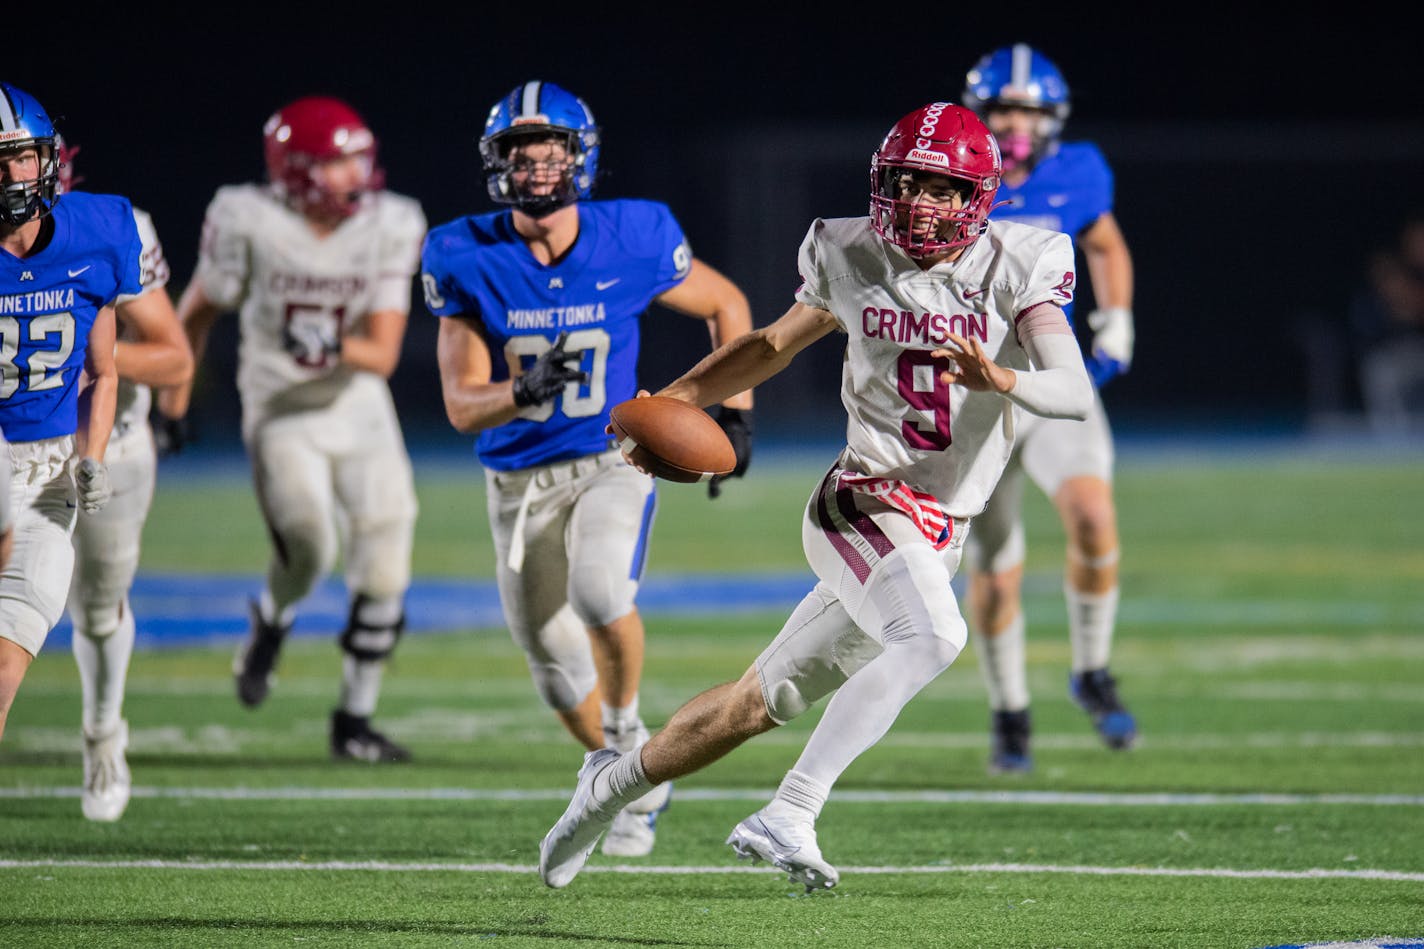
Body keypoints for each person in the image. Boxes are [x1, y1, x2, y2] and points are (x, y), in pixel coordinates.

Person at [537, 101, 1092, 891]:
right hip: (863, 501)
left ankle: (609, 784)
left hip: (940, 525)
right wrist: (675, 401)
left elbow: (1071, 391)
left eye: (939, 188)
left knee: (757, 703)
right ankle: (792, 809)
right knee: (933, 637)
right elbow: (768, 345)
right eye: (906, 182)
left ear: (978, 196)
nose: (919, 202)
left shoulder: (1020, 262)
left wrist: (1001, 375)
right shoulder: (848, 250)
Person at [423, 80, 754, 859]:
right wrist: (518, 391)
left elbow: (729, 305)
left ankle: (633, 743)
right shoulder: (460, 250)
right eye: (520, 153)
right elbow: (463, 407)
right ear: (495, 161)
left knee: (600, 589)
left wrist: (734, 416)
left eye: (552, 151)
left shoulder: (635, 233)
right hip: (517, 478)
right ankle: (625, 763)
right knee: (549, 660)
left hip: (615, 455)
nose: (538, 168)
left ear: (581, 156)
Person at [156, 96, 426, 762]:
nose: (355, 174)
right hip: (280, 409)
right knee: (309, 549)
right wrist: (172, 400)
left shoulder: (392, 222)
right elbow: (194, 312)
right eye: (337, 162)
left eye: (358, 157)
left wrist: (332, 341)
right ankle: (271, 621)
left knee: (387, 559)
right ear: (298, 169)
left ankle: (354, 720)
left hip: (359, 403)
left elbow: (384, 352)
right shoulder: (247, 219)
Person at [957, 44, 1138, 772]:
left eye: (1029, 109)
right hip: (976, 389)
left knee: (1093, 516)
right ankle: (1009, 709)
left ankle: (1091, 668)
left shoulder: (1078, 170)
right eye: (1003, 107)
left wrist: (1117, 315)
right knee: (996, 569)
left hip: (1052, 376)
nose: (1016, 122)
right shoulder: (953, 175)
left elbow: (1105, 242)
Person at [55, 138, 194, 820]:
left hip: (109, 444)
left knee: (99, 605)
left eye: (19, 159)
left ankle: (103, 731)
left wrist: (96, 360)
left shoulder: (113, 228)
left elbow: (174, 358)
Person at [0, 82, 129, 742]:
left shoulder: (97, 233)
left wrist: (93, 456)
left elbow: (103, 371)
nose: (10, 174)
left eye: (20, 156)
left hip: (47, 484)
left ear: (46, 159)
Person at [1349, 210, 1424, 435]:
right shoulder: (1395, 271)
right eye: (1416, 239)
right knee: (1380, 370)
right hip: (1400, 354)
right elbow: (1369, 325)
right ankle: (1390, 433)